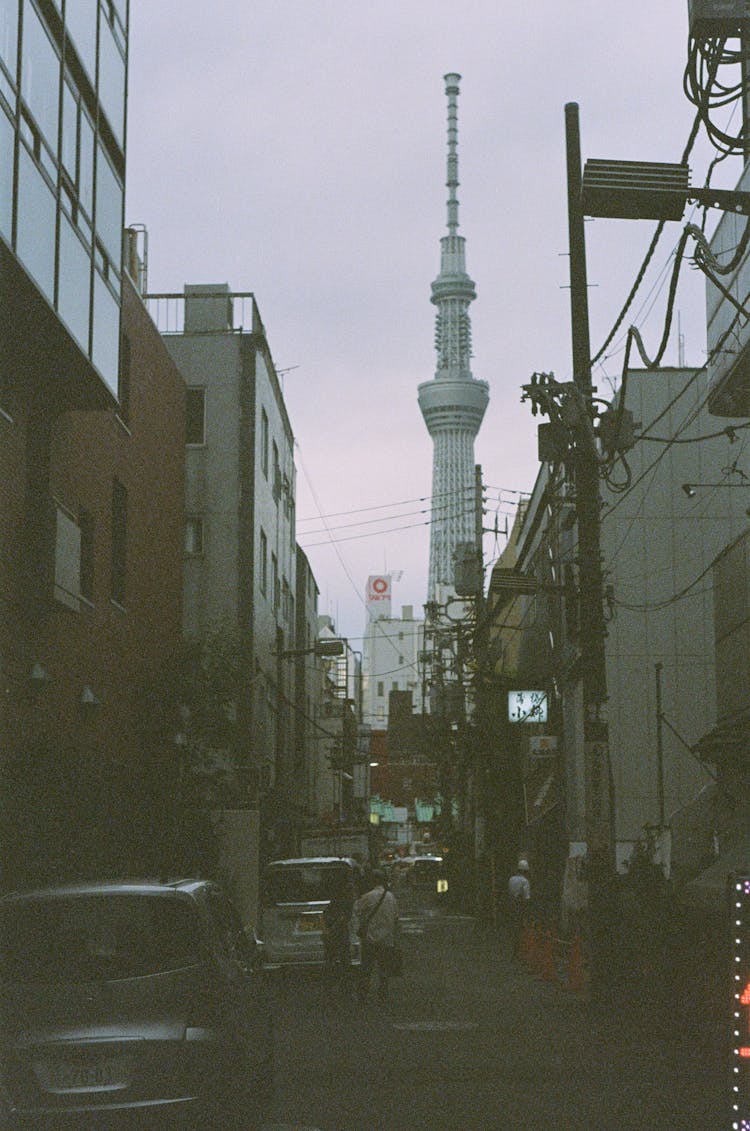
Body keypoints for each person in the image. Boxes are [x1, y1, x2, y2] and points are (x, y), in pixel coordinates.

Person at [355, 868, 399, 1004]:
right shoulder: (391, 897)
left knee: (366, 969)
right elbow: (396, 917)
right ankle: (383, 996)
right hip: (387, 940)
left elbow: (356, 910)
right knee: (384, 970)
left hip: (370, 938)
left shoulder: (368, 897)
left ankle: (362, 995)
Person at [322, 870, 355, 992]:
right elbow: (343, 917)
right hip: (338, 931)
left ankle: (334, 982)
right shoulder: (344, 899)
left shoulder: (336, 898)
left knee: (333, 957)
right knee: (342, 957)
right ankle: (342, 982)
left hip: (333, 931)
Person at [507, 859, 531, 959]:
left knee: (514, 926)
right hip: (520, 905)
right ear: (525, 871)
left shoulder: (511, 879)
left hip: (511, 904)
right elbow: (526, 897)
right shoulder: (524, 881)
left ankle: (514, 949)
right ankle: (519, 950)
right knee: (521, 927)